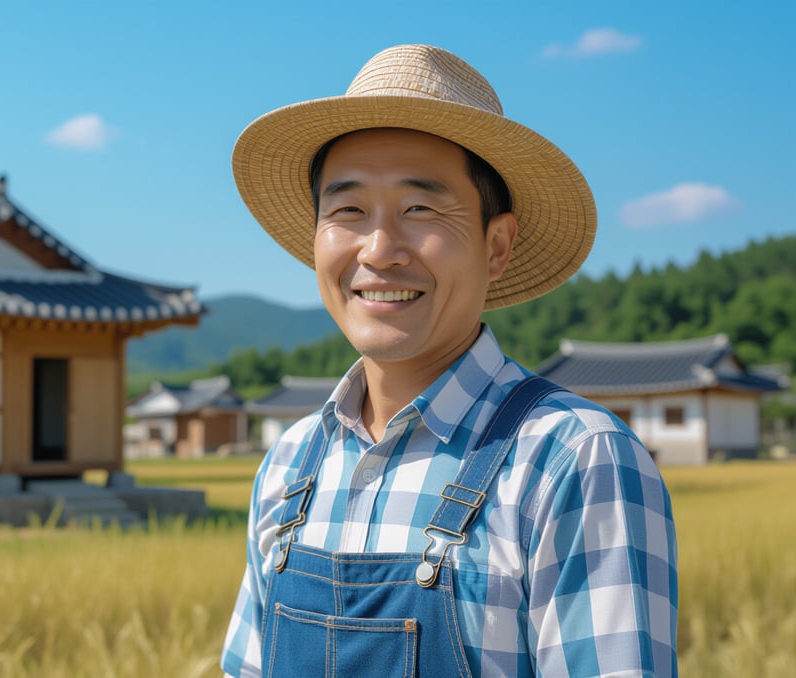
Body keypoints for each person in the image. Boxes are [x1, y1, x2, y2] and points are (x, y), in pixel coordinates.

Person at [221, 44, 678, 677]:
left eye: (421, 209)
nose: (379, 250)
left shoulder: (571, 459)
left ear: (496, 246)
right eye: (348, 210)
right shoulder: (290, 465)